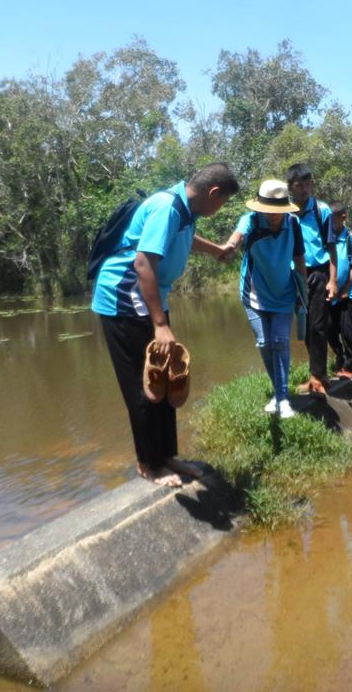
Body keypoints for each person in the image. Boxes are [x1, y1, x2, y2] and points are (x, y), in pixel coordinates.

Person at [92, 163, 239, 487]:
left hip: (148, 299)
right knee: (142, 382)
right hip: (124, 300)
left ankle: (167, 455)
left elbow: (186, 238)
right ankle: (148, 464)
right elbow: (143, 263)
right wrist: (160, 324)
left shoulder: (185, 211)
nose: (221, 207)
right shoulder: (166, 208)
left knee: (167, 379)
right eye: (224, 202)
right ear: (213, 193)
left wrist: (216, 250)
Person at [224, 180, 305, 418]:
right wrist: (229, 246)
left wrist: (303, 294)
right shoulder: (251, 220)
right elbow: (237, 236)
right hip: (254, 293)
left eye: (276, 210)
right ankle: (278, 392)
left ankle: (282, 398)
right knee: (263, 342)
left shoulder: (293, 223)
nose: (271, 214)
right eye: (267, 209)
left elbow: (299, 259)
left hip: (284, 292)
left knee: (280, 341)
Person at [287, 163, 337, 398]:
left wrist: (333, 280)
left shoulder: (321, 210)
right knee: (305, 326)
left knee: (318, 325)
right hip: (293, 276)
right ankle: (319, 373)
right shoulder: (284, 213)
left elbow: (331, 247)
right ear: (290, 187)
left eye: (308, 184)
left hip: (318, 273)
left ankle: (317, 376)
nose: (305, 189)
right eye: (300, 185)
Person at [326, 202, 352, 379]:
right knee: (330, 329)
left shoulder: (351, 238)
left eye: (332, 219)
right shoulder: (326, 239)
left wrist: (346, 288)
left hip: (348, 294)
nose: (330, 223)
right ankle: (340, 356)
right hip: (330, 295)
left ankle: (351, 364)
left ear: (343, 217)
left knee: (348, 330)